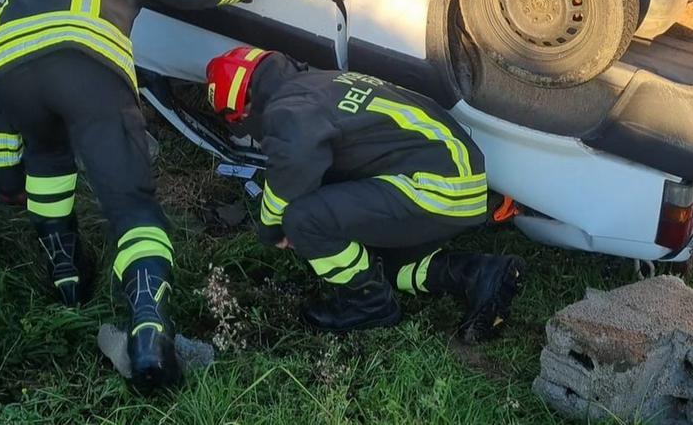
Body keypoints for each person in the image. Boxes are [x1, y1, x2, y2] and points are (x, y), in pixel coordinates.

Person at [0, 0, 260, 391]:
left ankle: (67, 275)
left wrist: (7, 180)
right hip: (85, 65)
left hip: (8, 78)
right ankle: (148, 331)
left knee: (47, 155)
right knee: (131, 207)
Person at [204, 47, 524, 341]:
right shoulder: (317, 84)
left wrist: (272, 227)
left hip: (435, 184)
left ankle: (368, 304)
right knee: (381, 265)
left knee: (303, 219)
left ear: (243, 108)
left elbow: (295, 164)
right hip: (452, 178)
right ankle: (479, 272)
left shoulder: (287, 109)